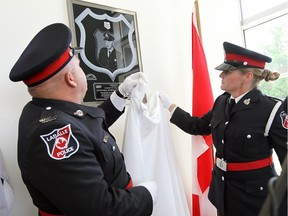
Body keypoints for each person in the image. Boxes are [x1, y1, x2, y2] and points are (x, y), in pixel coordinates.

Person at [9, 23, 157, 216]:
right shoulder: (53, 132)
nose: (83, 71)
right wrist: (145, 197)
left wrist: (120, 95)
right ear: (71, 78)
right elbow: (99, 208)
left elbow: (84, 126)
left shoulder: (43, 111)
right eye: (79, 66)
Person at [159, 41, 287, 216]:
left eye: (228, 71)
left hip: (255, 199)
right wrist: (170, 105)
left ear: (247, 76)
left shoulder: (272, 110)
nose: (221, 75)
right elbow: (198, 126)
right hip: (223, 191)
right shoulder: (222, 102)